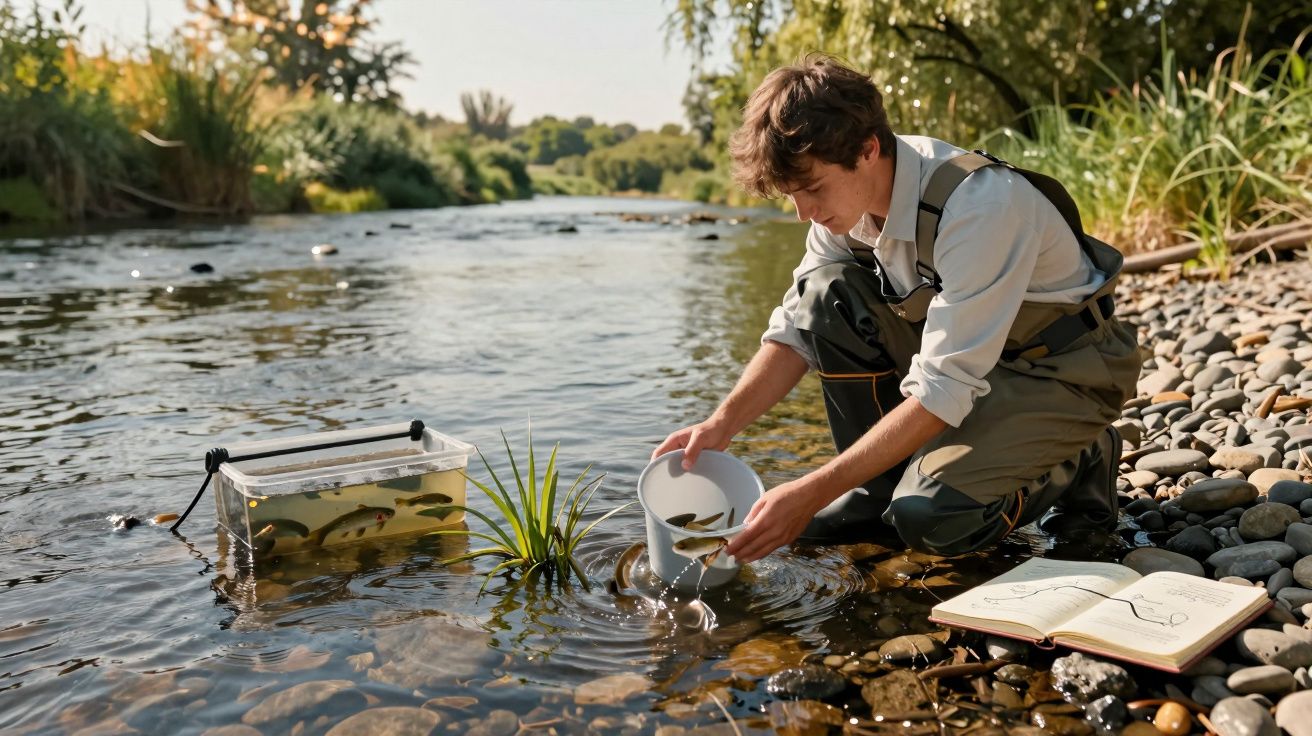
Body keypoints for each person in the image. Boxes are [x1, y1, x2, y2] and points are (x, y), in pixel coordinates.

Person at [652, 54, 1141, 564]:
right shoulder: (845, 205)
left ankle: (1081, 458)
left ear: (867, 149)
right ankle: (876, 491)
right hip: (978, 360)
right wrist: (721, 425)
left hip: (1061, 372)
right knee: (826, 293)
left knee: (931, 519)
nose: (804, 214)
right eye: (792, 196)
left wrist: (811, 492)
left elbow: (941, 389)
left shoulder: (979, 207)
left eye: (813, 189)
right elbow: (796, 329)